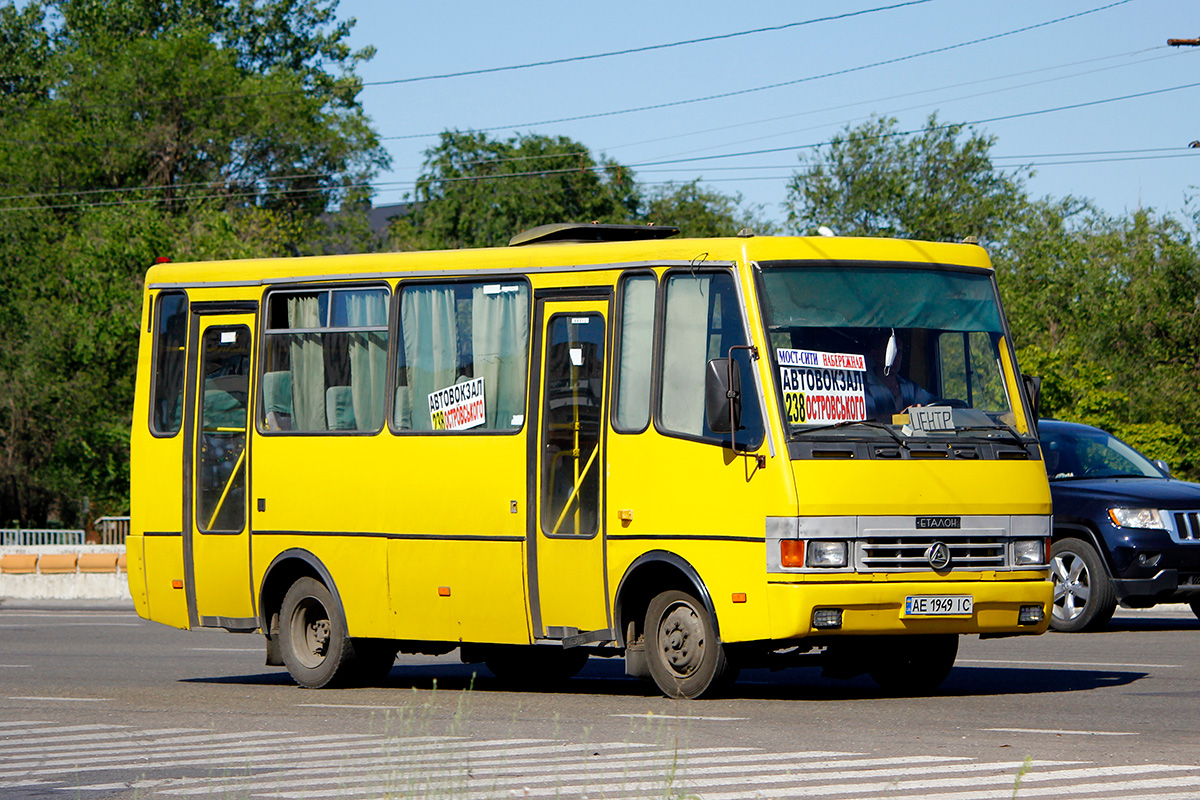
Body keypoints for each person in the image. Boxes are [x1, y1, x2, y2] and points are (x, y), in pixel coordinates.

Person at [863, 331, 934, 421]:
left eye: (898, 352)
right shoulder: (864, 388)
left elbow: (933, 403)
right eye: (890, 352)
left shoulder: (910, 388)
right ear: (875, 354)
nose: (896, 357)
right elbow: (866, 421)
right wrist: (901, 416)